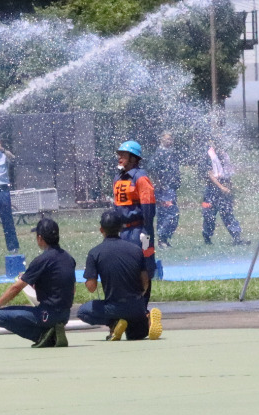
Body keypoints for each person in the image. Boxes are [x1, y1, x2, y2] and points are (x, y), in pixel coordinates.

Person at [0, 218, 75, 348]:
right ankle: (52, 331)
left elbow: (16, 288)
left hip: (47, 314)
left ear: (40, 238)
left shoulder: (42, 260)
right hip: (65, 314)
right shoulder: (69, 258)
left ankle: (43, 336)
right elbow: (70, 288)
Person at [77, 209, 162, 341]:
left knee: (82, 311)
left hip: (113, 307)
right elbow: (145, 282)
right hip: (137, 307)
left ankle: (114, 323)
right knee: (134, 336)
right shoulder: (136, 250)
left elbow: (91, 287)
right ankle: (146, 319)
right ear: (121, 228)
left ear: (101, 230)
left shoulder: (95, 253)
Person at [113, 140, 156, 295]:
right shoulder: (118, 178)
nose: (120, 158)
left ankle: (142, 306)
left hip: (140, 230)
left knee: (144, 264)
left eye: (124, 155)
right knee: (124, 266)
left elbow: (148, 207)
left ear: (133, 158)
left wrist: (147, 232)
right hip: (123, 231)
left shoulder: (141, 178)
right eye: (119, 154)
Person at [201, 140, 248, 246]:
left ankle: (237, 237)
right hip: (211, 189)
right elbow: (210, 174)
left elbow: (227, 174)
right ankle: (207, 238)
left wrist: (230, 187)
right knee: (209, 215)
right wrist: (221, 187)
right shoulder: (209, 155)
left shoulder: (224, 155)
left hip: (223, 188)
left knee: (228, 213)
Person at [152, 132, 181, 248]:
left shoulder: (170, 153)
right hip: (164, 189)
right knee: (170, 213)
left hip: (171, 188)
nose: (170, 141)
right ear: (161, 140)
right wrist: (159, 184)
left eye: (171, 138)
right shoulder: (159, 153)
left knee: (170, 213)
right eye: (168, 139)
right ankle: (162, 238)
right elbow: (153, 169)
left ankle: (164, 239)